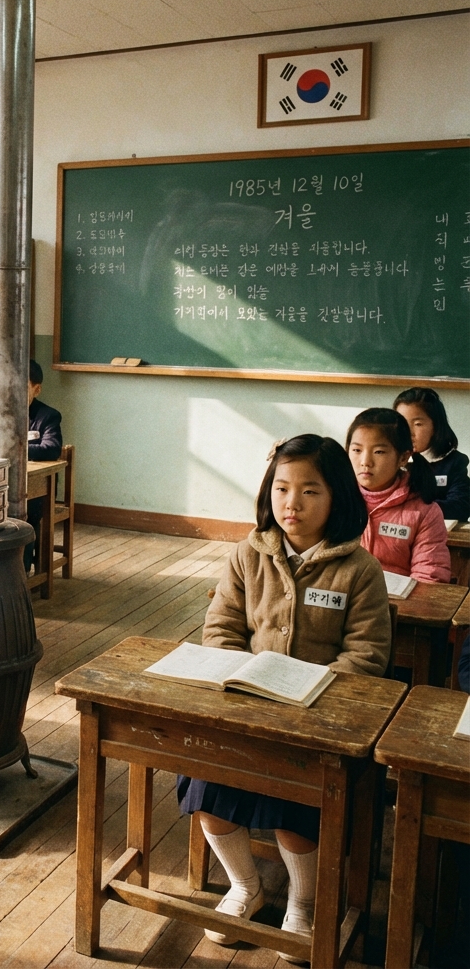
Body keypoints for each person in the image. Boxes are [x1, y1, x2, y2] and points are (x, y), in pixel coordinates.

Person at [178, 434, 391, 961]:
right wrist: (241, 674)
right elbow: (221, 627)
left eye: (310, 491)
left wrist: (313, 691)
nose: (291, 503)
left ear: (338, 497)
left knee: (293, 811)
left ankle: (301, 902)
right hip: (247, 705)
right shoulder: (249, 553)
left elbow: (366, 654)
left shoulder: (358, 569)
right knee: (206, 788)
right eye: (281, 488)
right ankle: (244, 887)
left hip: (318, 718)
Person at [0, 359, 63, 571]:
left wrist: (9, 451)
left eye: (22, 388)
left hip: (34, 491)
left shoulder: (47, 416)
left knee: (21, 519)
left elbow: (52, 449)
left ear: (36, 390)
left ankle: (19, 572)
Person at [346, 408, 451, 583]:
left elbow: (429, 577)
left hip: (396, 605)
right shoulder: (336, 499)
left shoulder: (425, 512)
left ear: (403, 458)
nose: (365, 461)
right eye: (357, 450)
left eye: (379, 452)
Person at [393, 387, 469, 521]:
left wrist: (414, 508)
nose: (409, 432)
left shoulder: (453, 462)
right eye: (403, 423)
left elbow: (460, 506)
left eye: (417, 424)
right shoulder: (390, 459)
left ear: (435, 426)